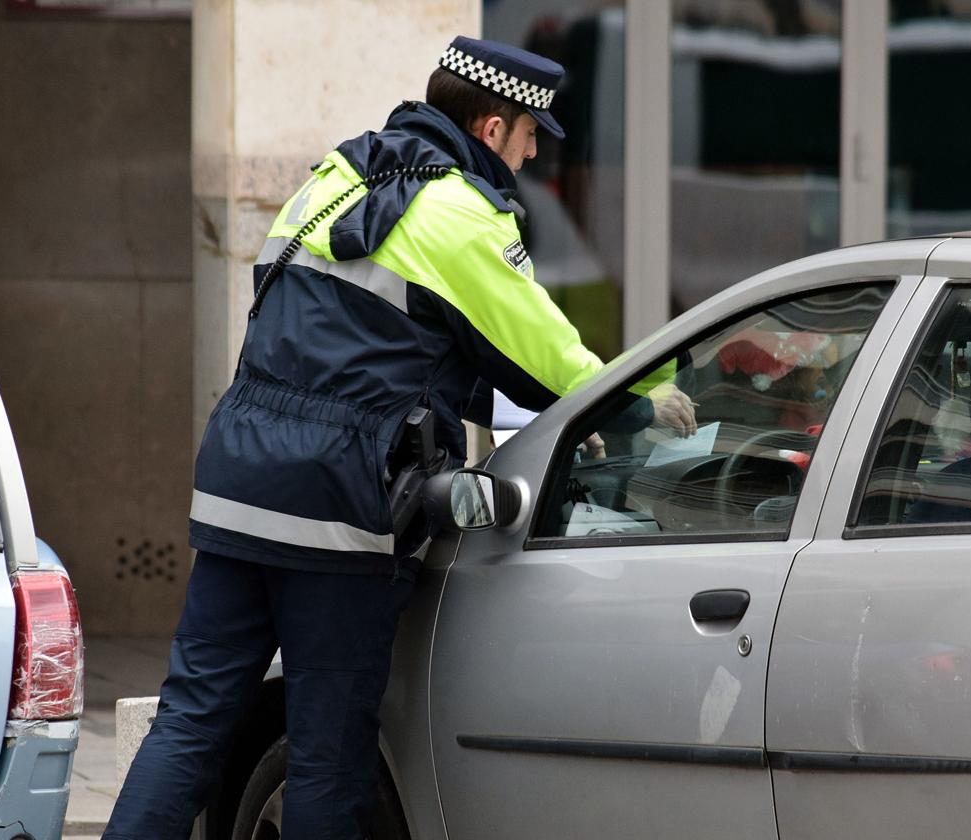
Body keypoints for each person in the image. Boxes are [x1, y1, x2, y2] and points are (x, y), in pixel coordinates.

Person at [102, 36, 694, 840]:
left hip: (240, 489)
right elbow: (551, 361)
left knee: (192, 723)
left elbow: (348, 336)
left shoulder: (333, 177)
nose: (528, 159)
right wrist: (644, 400)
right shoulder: (459, 215)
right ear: (491, 128)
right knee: (327, 753)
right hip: (341, 511)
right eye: (527, 139)